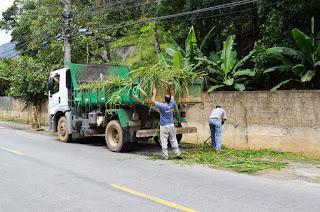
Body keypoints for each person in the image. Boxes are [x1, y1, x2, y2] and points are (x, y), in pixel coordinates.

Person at [152, 82, 182, 160]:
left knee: (164, 141)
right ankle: (178, 153)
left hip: (164, 126)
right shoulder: (172, 104)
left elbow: (153, 101)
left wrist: (154, 94)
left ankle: (165, 156)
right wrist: (170, 87)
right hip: (171, 125)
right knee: (173, 139)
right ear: (169, 100)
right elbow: (172, 94)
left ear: (164, 100)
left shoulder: (162, 106)